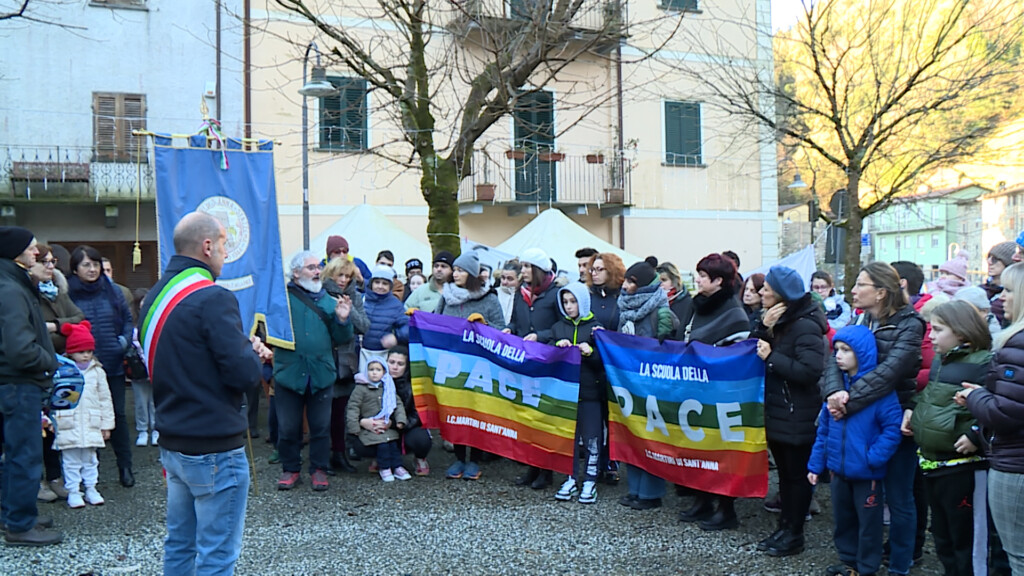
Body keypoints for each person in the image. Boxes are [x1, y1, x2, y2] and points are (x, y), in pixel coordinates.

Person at [139, 211, 272, 575]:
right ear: (207, 245)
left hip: (174, 439)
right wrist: (252, 353)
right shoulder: (213, 298)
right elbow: (244, 374)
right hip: (214, 444)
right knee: (216, 555)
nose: (226, 253)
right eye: (225, 243)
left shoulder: (154, 296)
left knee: (180, 545)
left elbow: (186, 359)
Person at [821, 262, 926, 576]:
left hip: (895, 418)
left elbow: (889, 373)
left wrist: (846, 402)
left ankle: (900, 565)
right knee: (861, 498)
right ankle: (856, 561)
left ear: (881, 292)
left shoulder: (910, 324)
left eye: (861, 284)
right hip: (855, 417)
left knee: (898, 497)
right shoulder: (861, 317)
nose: (853, 290)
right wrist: (833, 393)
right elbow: (834, 360)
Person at [902, 300, 991, 576]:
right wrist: (913, 410)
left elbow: (997, 407)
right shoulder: (942, 360)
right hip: (934, 463)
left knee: (967, 539)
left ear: (962, 332)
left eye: (938, 329)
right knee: (942, 534)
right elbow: (933, 396)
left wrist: (976, 434)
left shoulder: (985, 363)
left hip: (964, 467)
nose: (930, 336)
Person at [809, 324, 904, 576]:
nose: (838, 355)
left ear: (861, 352)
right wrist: (816, 464)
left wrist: (872, 458)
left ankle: (867, 567)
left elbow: (892, 428)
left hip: (867, 474)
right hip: (839, 471)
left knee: (869, 525)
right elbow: (825, 431)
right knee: (843, 520)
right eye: (837, 349)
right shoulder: (835, 391)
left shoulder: (880, 393)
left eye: (846, 350)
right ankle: (849, 562)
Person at [751, 266, 827, 557]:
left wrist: (772, 357)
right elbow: (754, 347)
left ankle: (794, 534)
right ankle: (784, 527)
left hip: (797, 413)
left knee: (796, 478)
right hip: (780, 410)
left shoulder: (804, 325)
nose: (761, 293)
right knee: (784, 476)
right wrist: (763, 328)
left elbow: (809, 371)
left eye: (766, 289)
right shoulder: (780, 320)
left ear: (781, 294)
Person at [958, 262, 1024, 575]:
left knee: (1018, 557)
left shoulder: (1018, 345)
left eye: (1009, 290)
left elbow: (1006, 414)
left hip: (1015, 466)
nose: (1002, 298)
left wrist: (975, 397)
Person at [678, 253, 751, 530]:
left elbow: (737, 355)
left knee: (721, 452)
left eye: (702, 275)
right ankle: (702, 499)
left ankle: (726, 508)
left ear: (718, 281)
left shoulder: (734, 312)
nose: (696, 279)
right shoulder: (696, 305)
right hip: (695, 390)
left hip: (721, 394)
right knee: (697, 448)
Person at [0, 226, 62, 546]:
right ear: (15, 251)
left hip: (10, 384)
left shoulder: (10, 282)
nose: (36, 253)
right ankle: (20, 525)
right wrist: (50, 360)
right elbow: (21, 350)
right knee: (24, 455)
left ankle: (12, 514)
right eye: (31, 247)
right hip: (19, 385)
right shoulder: (10, 289)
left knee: (12, 455)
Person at [275, 251, 355, 491]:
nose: (317, 271)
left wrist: (342, 320)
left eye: (318, 266)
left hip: (321, 374)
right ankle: (290, 469)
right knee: (288, 427)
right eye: (310, 267)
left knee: (321, 427)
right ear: (296, 273)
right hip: (289, 373)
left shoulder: (331, 302)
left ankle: (319, 469)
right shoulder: (280, 301)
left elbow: (342, 338)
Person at [67, 245, 135, 488]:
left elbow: (128, 320)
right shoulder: (67, 293)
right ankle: (84, 476)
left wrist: (123, 342)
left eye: (95, 264)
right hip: (81, 367)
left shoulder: (113, 291)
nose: (92, 269)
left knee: (117, 415)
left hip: (112, 362)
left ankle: (125, 467)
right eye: (86, 264)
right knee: (80, 417)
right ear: (75, 269)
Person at [616, 262, 674, 511]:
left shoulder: (660, 312)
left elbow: (668, 350)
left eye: (631, 282)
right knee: (633, 436)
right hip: (629, 384)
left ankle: (651, 493)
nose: (626, 286)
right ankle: (636, 489)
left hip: (652, 386)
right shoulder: (624, 309)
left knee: (651, 438)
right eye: (626, 281)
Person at [28, 244, 83, 502]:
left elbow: (79, 317)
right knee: (34, 428)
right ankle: (36, 481)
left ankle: (55, 476)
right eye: (45, 262)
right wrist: (56, 329)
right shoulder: (25, 293)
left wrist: (55, 326)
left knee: (55, 428)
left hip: (58, 369)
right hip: (34, 368)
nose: (51, 266)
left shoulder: (58, 291)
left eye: (53, 262)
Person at [510, 248, 563, 489]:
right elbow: (514, 320)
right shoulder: (519, 294)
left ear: (538, 269)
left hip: (546, 361)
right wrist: (509, 330)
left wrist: (539, 336)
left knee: (544, 417)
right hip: (524, 361)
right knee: (527, 416)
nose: (522, 272)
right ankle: (531, 466)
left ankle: (546, 470)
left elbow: (560, 327)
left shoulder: (556, 294)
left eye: (526, 267)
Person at [550, 283, 604, 504]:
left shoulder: (596, 328)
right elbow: (547, 354)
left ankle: (590, 479)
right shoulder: (558, 328)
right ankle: (570, 477)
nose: (569, 307)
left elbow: (604, 361)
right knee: (568, 437)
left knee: (592, 437)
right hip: (565, 393)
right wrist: (556, 347)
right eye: (565, 302)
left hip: (590, 391)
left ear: (582, 302)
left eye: (573, 302)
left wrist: (590, 352)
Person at [54, 321, 114, 509]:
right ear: (71, 352)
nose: (86, 355)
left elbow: (105, 398)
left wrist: (107, 424)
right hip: (67, 422)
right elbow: (54, 398)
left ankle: (91, 488)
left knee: (90, 459)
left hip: (91, 422)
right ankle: (73, 491)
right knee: (71, 460)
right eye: (81, 351)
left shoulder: (98, 372)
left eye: (89, 351)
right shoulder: (61, 371)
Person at [322, 256, 369, 474]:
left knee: (342, 411)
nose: (343, 280)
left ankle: (340, 455)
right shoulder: (321, 294)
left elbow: (364, 326)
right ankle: (323, 457)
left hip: (347, 361)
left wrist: (349, 313)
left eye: (347, 276)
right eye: (339, 275)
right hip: (326, 358)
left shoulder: (355, 296)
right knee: (324, 413)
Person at [346, 358, 409, 482]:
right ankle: (384, 467)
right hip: (369, 428)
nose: (374, 373)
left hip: (386, 426)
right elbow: (353, 407)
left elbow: (398, 404)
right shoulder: (360, 389)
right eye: (371, 369)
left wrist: (400, 420)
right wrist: (354, 427)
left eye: (378, 370)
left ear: (384, 372)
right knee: (383, 445)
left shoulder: (388, 387)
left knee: (392, 445)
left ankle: (397, 466)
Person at [386, 346, 432, 475]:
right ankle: (378, 458)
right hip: (384, 426)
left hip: (407, 426)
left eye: (400, 364)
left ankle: (420, 458)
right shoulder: (376, 380)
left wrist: (398, 425)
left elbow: (417, 415)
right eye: (391, 362)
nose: (395, 367)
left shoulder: (415, 385)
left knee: (421, 440)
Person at [434, 251, 506, 329]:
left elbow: (501, 329)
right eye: (454, 270)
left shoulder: (490, 298)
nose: (455, 274)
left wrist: (484, 324)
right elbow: (435, 322)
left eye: (460, 271)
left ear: (471, 274)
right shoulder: (447, 295)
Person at [362, 265, 409, 372]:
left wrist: (396, 336)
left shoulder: (396, 305)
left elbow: (408, 326)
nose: (380, 286)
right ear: (371, 283)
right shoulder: (362, 300)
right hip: (361, 353)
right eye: (377, 282)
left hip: (383, 355)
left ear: (390, 286)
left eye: (385, 283)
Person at [587, 252, 624, 333]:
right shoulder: (588, 294)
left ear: (612, 270)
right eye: (592, 270)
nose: (593, 274)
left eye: (599, 269)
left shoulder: (623, 295)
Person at [983, 241, 1016, 327]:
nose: (989, 262)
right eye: (988, 258)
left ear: (1008, 263)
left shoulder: (1014, 296)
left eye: (995, 259)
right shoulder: (981, 290)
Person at [657, 262, 694, 335]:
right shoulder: (653, 301)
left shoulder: (687, 302)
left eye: (664, 280)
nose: (660, 284)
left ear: (674, 281)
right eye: (658, 281)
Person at [496, 260, 520, 326]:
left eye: (510, 279)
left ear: (519, 279)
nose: (504, 282)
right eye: (503, 278)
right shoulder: (494, 294)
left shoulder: (522, 297)